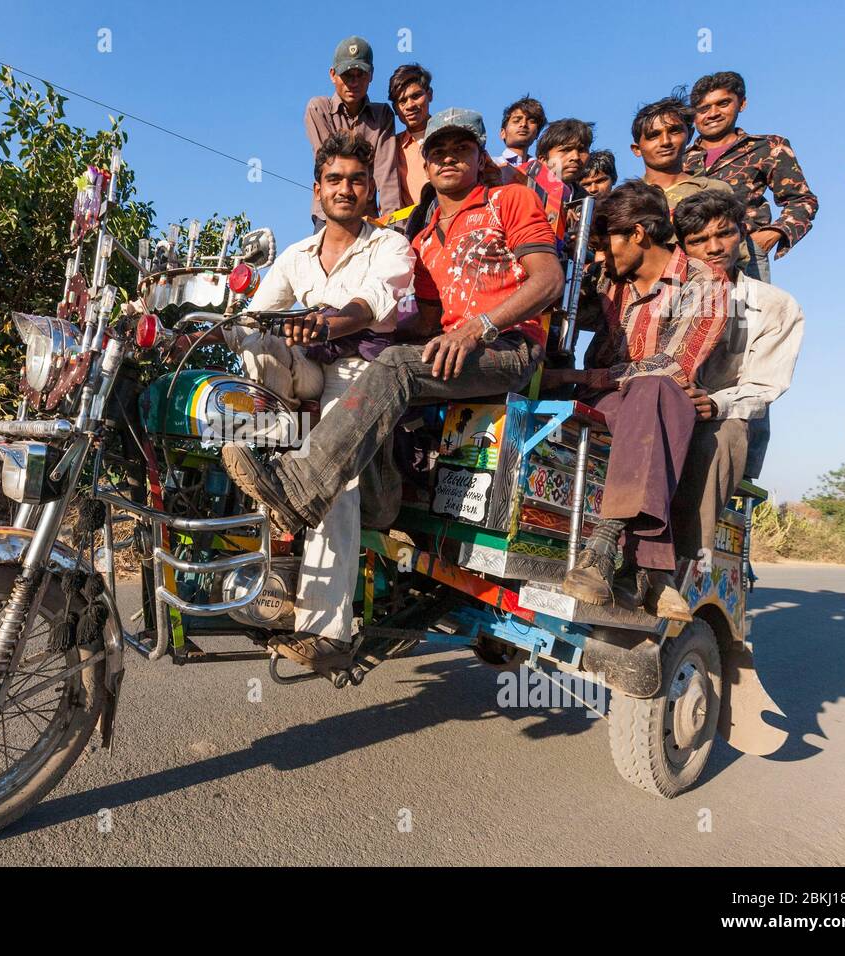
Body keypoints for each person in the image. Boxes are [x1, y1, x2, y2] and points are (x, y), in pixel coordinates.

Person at [220, 108, 564, 670]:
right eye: (439, 150)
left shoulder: (508, 201)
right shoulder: (424, 235)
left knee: (390, 373)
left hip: (503, 349)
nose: (450, 157)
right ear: (424, 164)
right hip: (429, 356)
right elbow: (420, 320)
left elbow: (547, 280)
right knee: (362, 370)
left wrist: (478, 327)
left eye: (462, 148)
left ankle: (301, 490)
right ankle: (275, 522)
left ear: (481, 156)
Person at [174, 132, 414, 657]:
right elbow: (250, 320)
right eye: (334, 180)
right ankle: (266, 453)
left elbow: (371, 303)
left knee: (337, 474)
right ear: (317, 190)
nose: (345, 189)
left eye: (355, 180)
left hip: (360, 372)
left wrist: (327, 325)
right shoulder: (296, 254)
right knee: (256, 339)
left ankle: (325, 631)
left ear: (371, 188)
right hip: (303, 373)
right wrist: (191, 334)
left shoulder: (390, 246)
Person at [543, 181, 731, 619]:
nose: (602, 257)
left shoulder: (704, 283)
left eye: (607, 244)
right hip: (608, 404)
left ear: (639, 235)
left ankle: (604, 544)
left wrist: (577, 374)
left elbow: (674, 367)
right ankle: (655, 572)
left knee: (655, 388)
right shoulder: (607, 280)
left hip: (661, 403)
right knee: (645, 392)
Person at [669, 189, 804, 556]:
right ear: (682, 246)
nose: (713, 248)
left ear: (742, 233)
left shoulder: (774, 305)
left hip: (715, 414)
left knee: (727, 433)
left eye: (723, 234)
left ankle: (685, 559)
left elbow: (762, 386)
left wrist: (713, 404)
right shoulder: (663, 294)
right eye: (699, 240)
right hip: (659, 403)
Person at [684, 71, 819, 281]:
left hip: (745, 256)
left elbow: (802, 200)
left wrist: (771, 234)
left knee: (749, 313)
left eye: (723, 103)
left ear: (742, 104)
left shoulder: (768, 147)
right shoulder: (680, 159)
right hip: (688, 262)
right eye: (703, 108)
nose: (713, 113)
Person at [304, 36, 403, 228]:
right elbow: (331, 164)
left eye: (361, 74)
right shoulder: (318, 109)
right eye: (347, 75)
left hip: (369, 218)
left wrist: (395, 224)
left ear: (372, 75)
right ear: (333, 75)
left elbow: (386, 172)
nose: (354, 82)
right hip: (328, 216)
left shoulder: (382, 114)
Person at [630, 93, 735, 212]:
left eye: (674, 131)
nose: (665, 141)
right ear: (637, 149)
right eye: (653, 136)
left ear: (689, 135)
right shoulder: (625, 199)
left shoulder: (714, 191)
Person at [389, 63, 434, 209]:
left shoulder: (453, 135)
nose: (410, 105)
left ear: (430, 94)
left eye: (416, 96)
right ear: (395, 109)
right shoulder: (391, 149)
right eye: (402, 101)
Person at [535, 117, 594, 191]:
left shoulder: (589, 201)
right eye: (566, 150)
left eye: (581, 150)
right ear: (543, 160)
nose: (575, 157)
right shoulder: (524, 189)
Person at [497, 95, 547, 167]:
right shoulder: (490, 166)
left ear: (537, 133)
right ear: (503, 133)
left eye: (531, 121)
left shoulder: (543, 172)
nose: (523, 124)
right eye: (516, 121)